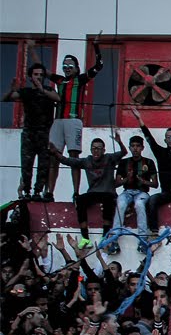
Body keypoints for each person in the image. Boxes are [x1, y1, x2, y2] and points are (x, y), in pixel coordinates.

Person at [130, 106, 171, 246]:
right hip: (165, 192)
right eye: (168, 137)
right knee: (152, 200)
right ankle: (154, 232)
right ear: (165, 140)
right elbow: (149, 139)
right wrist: (139, 119)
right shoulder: (160, 153)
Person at [48, 39, 105, 198]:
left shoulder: (80, 79)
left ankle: (75, 192)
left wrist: (96, 46)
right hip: (57, 121)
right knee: (53, 157)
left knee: (74, 156)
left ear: (76, 67)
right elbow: (41, 70)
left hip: (73, 121)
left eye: (70, 66)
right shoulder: (59, 80)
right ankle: (49, 192)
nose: (66, 69)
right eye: (64, 66)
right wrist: (31, 50)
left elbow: (99, 65)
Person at [56, 132, 127, 244]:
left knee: (109, 201)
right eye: (93, 148)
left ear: (103, 150)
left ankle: (106, 234)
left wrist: (119, 142)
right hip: (93, 193)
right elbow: (68, 161)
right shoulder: (87, 161)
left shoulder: (109, 158)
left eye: (99, 148)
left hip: (108, 193)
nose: (96, 151)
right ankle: (85, 237)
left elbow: (124, 152)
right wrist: (55, 153)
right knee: (80, 200)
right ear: (90, 150)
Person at [3, 63, 59, 200]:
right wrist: (11, 90)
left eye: (41, 75)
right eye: (36, 74)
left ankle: (38, 192)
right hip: (29, 133)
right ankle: (26, 191)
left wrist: (42, 90)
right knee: (26, 165)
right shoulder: (26, 92)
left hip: (45, 133)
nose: (39, 77)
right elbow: (5, 99)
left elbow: (58, 98)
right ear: (30, 77)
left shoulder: (48, 90)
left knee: (43, 165)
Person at [113, 135, 159, 240]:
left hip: (142, 192)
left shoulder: (149, 162)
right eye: (133, 146)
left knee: (139, 204)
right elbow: (116, 183)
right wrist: (126, 179)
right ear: (129, 148)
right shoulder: (124, 162)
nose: (135, 148)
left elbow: (155, 184)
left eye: (138, 146)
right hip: (127, 191)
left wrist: (143, 181)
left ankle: (142, 238)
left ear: (142, 148)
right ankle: (114, 238)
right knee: (120, 204)